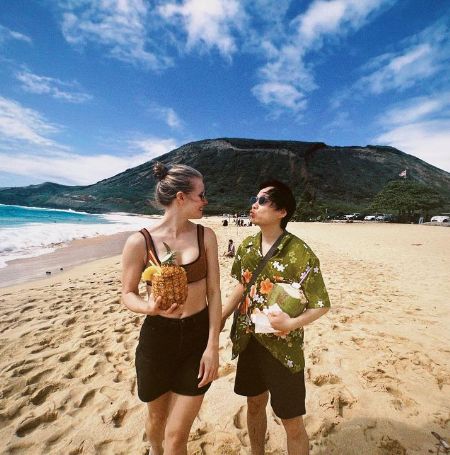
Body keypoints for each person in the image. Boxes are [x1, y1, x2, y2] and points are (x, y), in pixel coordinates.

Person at [222, 179, 330, 455]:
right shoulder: (246, 247)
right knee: (254, 404)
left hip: (284, 350)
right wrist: (221, 316)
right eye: (255, 199)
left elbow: (321, 304)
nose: (253, 205)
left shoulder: (300, 253)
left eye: (262, 201)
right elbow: (241, 285)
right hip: (248, 341)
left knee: (291, 421)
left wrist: (291, 323)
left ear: (282, 211)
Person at [121, 162, 221, 455]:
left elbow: (214, 293)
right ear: (181, 197)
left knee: (176, 437)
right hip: (157, 339)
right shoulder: (140, 242)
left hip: (197, 339)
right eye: (201, 195)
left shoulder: (206, 237)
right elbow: (127, 294)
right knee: (157, 420)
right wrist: (148, 308)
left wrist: (212, 345)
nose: (205, 201)